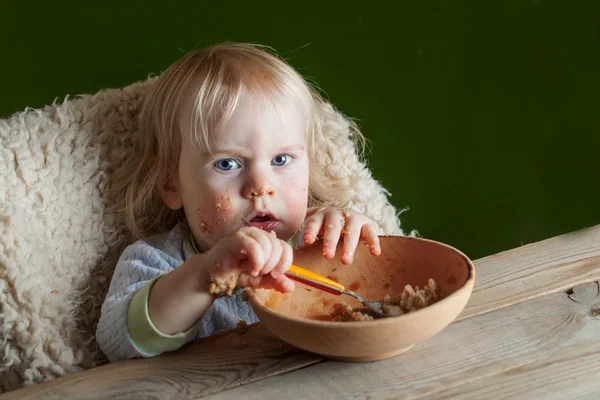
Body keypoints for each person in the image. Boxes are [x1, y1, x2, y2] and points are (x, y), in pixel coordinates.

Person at [96, 42, 384, 362]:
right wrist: (205, 276)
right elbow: (117, 342)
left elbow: (380, 303)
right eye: (227, 164)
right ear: (171, 183)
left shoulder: (318, 243)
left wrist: (354, 243)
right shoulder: (155, 262)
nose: (260, 187)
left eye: (281, 159)